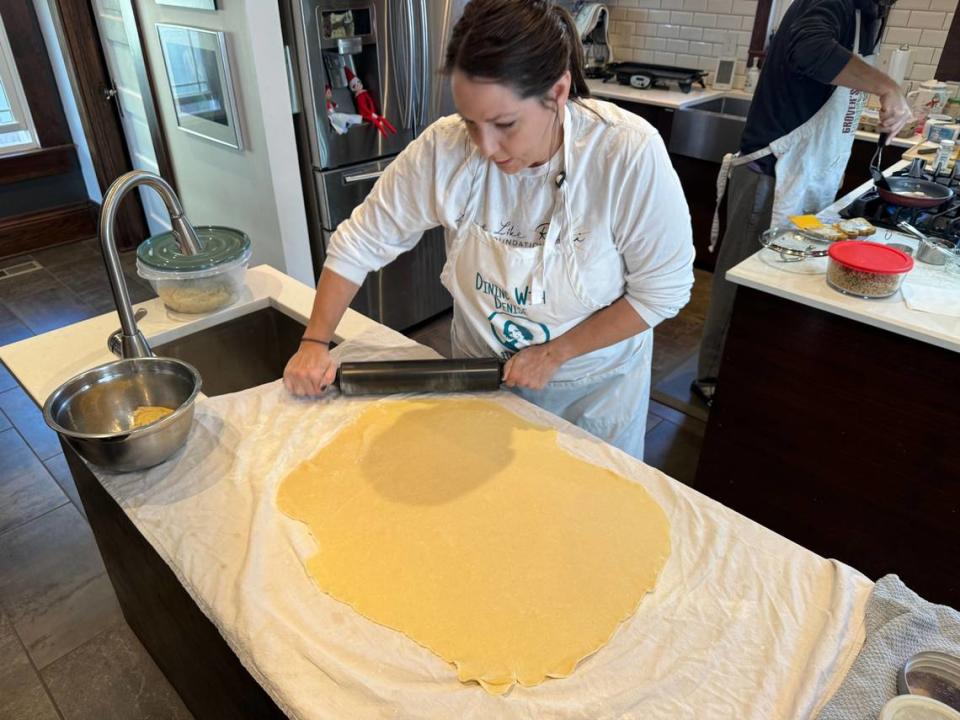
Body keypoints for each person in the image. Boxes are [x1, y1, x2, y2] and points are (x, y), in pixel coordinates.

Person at [283, 0, 695, 459]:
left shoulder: (624, 154)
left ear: (558, 93)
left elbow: (662, 291)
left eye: (504, 124)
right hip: (477, 373)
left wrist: (555, 353)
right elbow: (360, 242)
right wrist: (315, 341)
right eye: (470, 122)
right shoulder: (445, 149)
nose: (486, 146)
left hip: (590, 391)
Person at [692, 0, 912, 406]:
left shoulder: (868, 15)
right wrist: (886, 86)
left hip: (810, 174)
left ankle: (749, 371)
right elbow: (808, 49)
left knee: (775, 284)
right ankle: (714, 379)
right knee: (742, 284)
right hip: (773, 174)